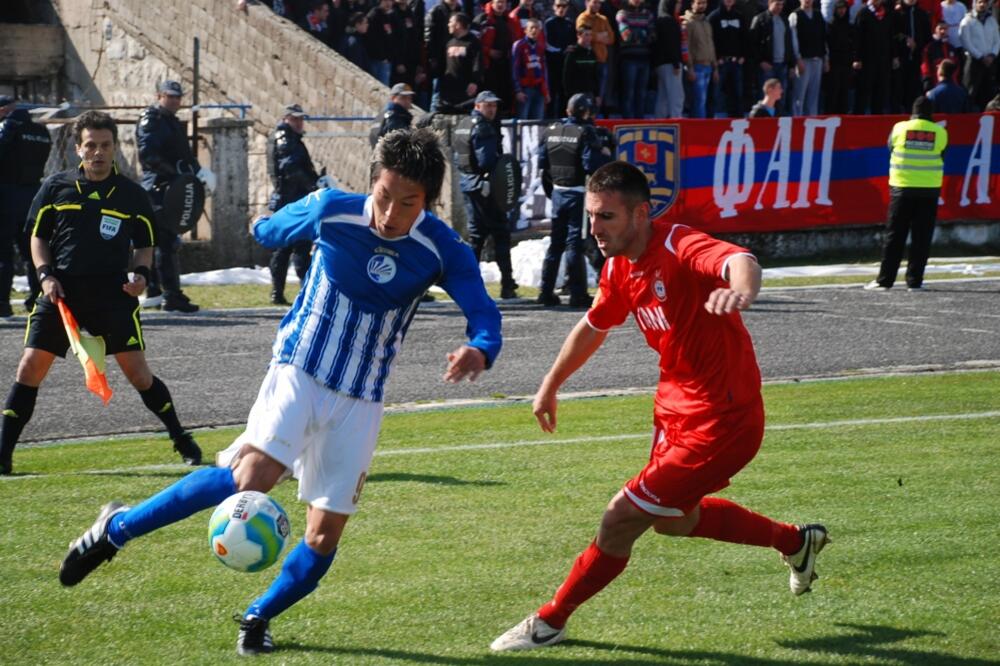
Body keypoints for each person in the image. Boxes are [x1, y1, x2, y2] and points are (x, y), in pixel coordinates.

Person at [57, 128, 503, 656]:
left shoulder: (442, 248)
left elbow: (484, 313)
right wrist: (269, 223)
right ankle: (116, 530)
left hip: (361, 397)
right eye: (384, 196)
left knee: (324, 535)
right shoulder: (332, 211)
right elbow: (271, 230)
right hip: (300, 369)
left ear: (428, 201)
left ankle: (258, 615)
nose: (389, 214)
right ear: (371, 184)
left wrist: (480, 348)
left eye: (407, 203)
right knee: (251, 478)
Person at [490, 160, 830, 652]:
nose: (595, 228)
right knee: (674, 521)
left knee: (619, 519)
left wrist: (742, 289)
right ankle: (796, 542)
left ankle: (550, 620)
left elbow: (739, 260)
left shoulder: (678, 246)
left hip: (722, 421)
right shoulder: (618, 266)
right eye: (592, 216)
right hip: (674, 410)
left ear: (640, 214)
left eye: (607, 216)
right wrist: (551, 383)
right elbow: (594, 325)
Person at [0, 111, 202, 476]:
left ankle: (181, 438)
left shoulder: (132, 195)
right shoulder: (56, 187)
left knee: (139, 376)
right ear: (78, 149)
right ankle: (3, 453)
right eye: (90, 145)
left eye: (105, 145)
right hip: (61, 294)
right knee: (29, 368)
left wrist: (141, 276)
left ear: (114, 148)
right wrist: (45, 275)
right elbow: (37, 237)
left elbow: (144, 245)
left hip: (112, 296)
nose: (98, 152)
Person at [136, 80, 216, 313]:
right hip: (158, 188)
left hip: (169, 187)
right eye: (170, 96)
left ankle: (156, 291)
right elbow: (148, 155)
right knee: (166, 241)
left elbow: (182, 155)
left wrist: (195, 173)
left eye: (178, 97)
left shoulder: (169, 121)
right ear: (159, 96)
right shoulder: (152, 119)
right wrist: (177, 174)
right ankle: (170, 295)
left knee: (161, 241)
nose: (175, 101)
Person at [536, 94, 612, 308]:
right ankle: (577, 294)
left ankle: (545, 292)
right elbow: (590, 165)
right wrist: (605, 154)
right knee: (573, 244)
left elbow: (542, 162)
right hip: (577, 194)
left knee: (555, 244)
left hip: (558, 192)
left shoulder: (551, 131)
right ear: (584, 112)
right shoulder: (584, 132)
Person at [865, 96, 947, 291]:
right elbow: (942, 154)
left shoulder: (900, 128)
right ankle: (915, 281)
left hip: (902, 188)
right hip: (929, 191)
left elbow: (890, 148)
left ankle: (885, 280)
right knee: (922, 238)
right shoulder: (940, 132)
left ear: (913, 112)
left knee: (895, 236)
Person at [454, 91, 519, 299]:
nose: (492, 109)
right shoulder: (483, 127)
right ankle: (507, 284)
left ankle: (468, 285)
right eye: (488, 105)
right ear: (478, 105)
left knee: (476, 237)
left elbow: (458, 158)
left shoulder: (463, 124)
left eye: (494, 106)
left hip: (468, 185)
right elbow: (487, 161)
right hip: (485, 188)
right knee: (500, 233)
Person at [0, 95, 52, 316]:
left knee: (3, 256)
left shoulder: (7, 129)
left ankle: (2, 305)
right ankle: (37, 300)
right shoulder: (40, 131)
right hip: (32, 197)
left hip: (6, 198)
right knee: (33, 253)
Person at [267, 104, 323, 306]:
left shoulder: (291, 138)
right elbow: (289, 167)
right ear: (286, 119)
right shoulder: (284, 137)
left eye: (301, 119)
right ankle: (284, 292)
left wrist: (315, 180)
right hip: (290, 201)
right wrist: (313, 184)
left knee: (297, 247)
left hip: (293, 200)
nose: (299, 122)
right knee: (290, 248)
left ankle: (299, 292)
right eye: (295, 119)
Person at [750, 0, 796, 116]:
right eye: (777, 4)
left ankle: (779, 119)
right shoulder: (760, 19)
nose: (780, 7)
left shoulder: (784, 19)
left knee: (781, 97)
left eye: (782, 4)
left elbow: (789, 43)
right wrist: (760, 61)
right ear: (770, 3)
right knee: (766, 96)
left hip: (782, 64)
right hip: (768, 65)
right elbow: (752, 43)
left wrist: (791, 64)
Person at [852, 0, 896, 114]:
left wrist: (894, 56)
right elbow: (857, 38)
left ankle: (877, 116)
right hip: (866, 59)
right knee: (863, 91)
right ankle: (858, 117)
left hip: (883, 59)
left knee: (880, 91)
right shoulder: (863, 13)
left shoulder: (887, 14)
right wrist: (856, 58)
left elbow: (891, 36)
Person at [709, 0, 749, 118]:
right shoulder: (714, 17)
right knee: (716, 94)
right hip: (720, 62)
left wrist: (743, 56)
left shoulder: (739, 16)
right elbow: (709, 40)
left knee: (737, 93)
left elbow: (745, 38)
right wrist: (716, 58)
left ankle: (738, 121)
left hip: (736, 62)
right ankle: (713, 120)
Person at [616, 0, 656, 119]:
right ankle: (627, 122)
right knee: (629, 93)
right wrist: (643, 33)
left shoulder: (648, 14)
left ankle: (640, 121)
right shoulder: (622, 14)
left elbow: (653, 36)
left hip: (645, 58)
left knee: (642, 94)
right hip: (629, 59)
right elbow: (626, 36)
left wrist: (638, 34)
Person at [436, 12, 483, 113]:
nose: (448, 24)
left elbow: (477, 63)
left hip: (466, 89)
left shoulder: (473, 42)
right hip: (449, 88)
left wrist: (474, 82)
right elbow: (443, 65)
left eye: (450, 22)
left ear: (458, 25)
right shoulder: (449, 42)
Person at [959, 0, 1000, 110]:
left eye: (985, 2)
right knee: (970, 91)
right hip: (974, 61)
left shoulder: (992, 21)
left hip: (990, 61)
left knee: (989, 91)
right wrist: (980, 56)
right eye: (980, 2)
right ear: (975, 3)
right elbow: (966, 42)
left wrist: (992, 55)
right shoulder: (967, 20)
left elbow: (997, 40)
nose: (982, 5)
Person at [789, 0, 827, 116]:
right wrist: (798, 59)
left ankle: (812, 120)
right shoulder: (795, 15)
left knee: (814, 95)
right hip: (803, 60)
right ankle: (797, 119)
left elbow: (824, 37)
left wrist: (826, 58)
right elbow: (793, 39)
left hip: (817, 59)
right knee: (799, 95)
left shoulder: (818, 14)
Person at [684, 0, 719, 119]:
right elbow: (686, 47)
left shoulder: (706, 23)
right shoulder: (688, 23)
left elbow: (711, 45)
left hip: (709, 66)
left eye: (704, 3)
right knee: (698, 101)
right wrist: (690, 68)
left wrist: (715, 68)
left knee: (706, 101)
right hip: (697, 67)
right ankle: (698, 128)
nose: (702, 5)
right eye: (699, 3)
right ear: (692, 4)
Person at [512, 18, 551, 119]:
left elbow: (544, 70)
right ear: (525, 30)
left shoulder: (540, 47)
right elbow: (514, 69)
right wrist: (518, 90)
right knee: (523, 121)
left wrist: (546, 91)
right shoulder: (519, 45)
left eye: (537, 28)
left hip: (539, 89)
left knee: (538, 122)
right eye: (531, 28)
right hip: (525, 89)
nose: (534, 30)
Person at [653, 10, 685, 118]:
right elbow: (671, 43)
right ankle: (677, 120)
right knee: (676, 96)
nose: (679, 6)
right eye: (677, 3)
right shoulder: (669, 21)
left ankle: (660, 121)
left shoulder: (661, 20)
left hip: (661, 64)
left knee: (663, 97)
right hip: (671, 64)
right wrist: (676, 63)